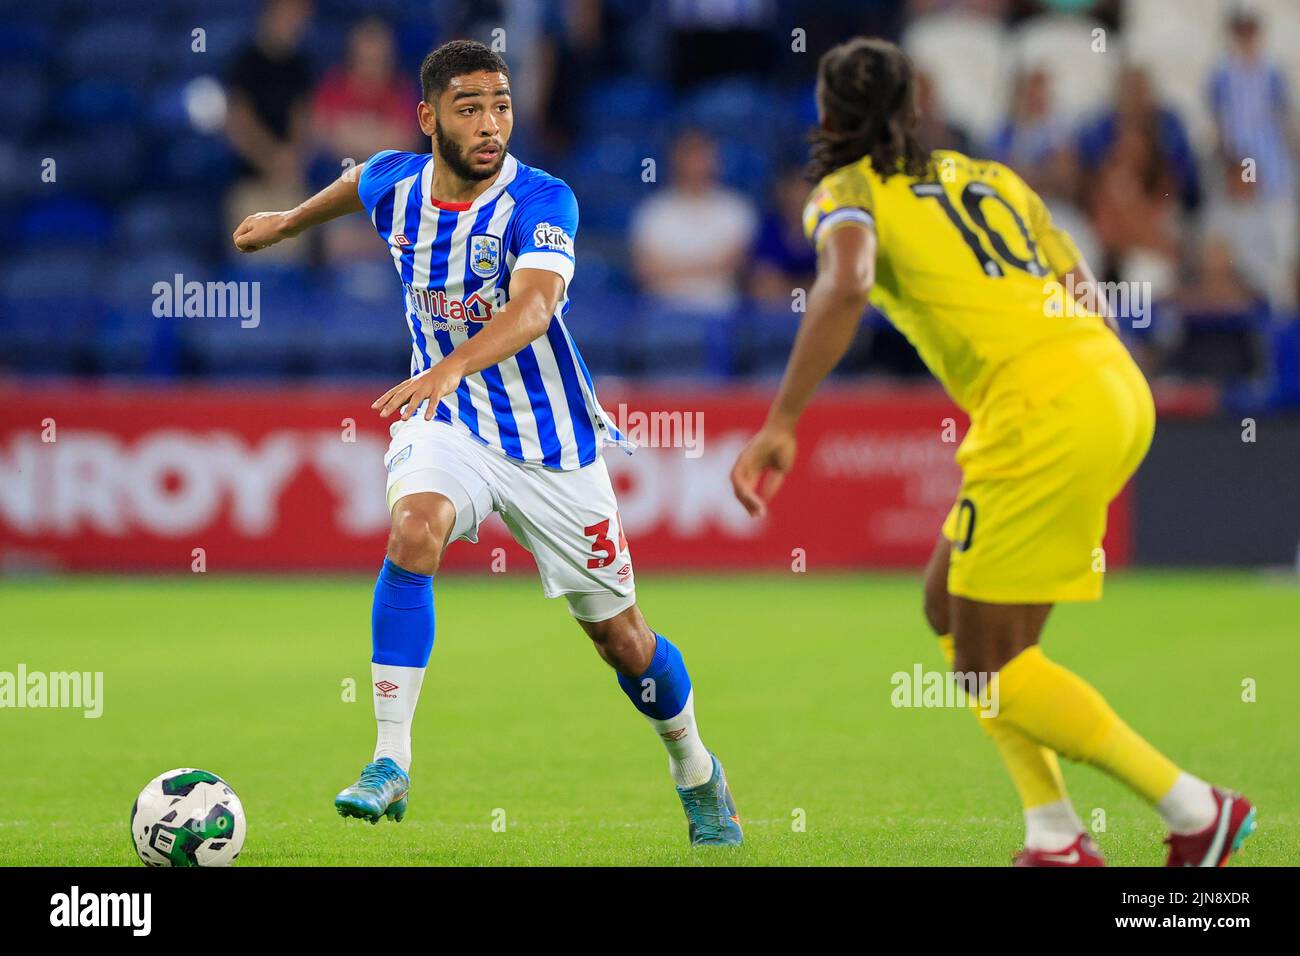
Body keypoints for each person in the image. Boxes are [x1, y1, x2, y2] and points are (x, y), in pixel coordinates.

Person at [730, 37, 1256, 867]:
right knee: (956, 615)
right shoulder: (991, 178)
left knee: (987, 663)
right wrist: (1096, 390)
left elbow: (848, 279)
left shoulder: (847, 192)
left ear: (825, 117)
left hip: (1039, 407)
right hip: (1111, 385)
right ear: (913, 108)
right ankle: (1053, 831)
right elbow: (1081, 284)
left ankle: (1194, 808)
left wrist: (784, 417)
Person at [232, 40, 742, 847]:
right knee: (413, 529)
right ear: (428, 118)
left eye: (501, 105)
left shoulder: (544, 201)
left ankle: (696, 770)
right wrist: (285, 223)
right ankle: (389, 761)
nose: (491, 123)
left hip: (550, 443)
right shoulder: (397, 181)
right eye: (469, 107)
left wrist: (450, 366)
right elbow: (355, 181)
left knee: (622, 639)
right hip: (451, 423)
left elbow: (534, 311)